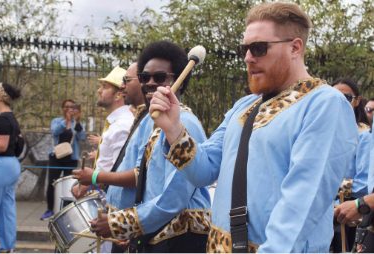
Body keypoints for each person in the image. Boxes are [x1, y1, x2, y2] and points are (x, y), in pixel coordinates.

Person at [149, 2, 358, 252]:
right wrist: (173, 129)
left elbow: (302, 204)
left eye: (259, 48)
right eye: (245, 49)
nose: (248, 58)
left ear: (295, 47)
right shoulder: (245, 105)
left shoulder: (325, 104)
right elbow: (204, 170)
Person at [87, 41, 211, 252]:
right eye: (145, 77)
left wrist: (122, 223)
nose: (150, 83)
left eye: (160, 77)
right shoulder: (153, 123)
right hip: (157, 234)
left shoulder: (185, 123)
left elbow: (175, 198)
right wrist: (134, 230)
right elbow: (145, 186)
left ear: (179, 81)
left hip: (182, 239)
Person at [72, 62, 145, 252]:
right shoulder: (117, 123)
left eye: (104, 87)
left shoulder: (122, 125)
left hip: (118, 210)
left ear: (119, 94)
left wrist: (91, 181)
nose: (99, 91)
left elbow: (123, 171)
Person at [331, 79, 371, 251]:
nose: (339, 101)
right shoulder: (315, 132)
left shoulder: (365, 135)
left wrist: (332, 188)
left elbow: (366, 183)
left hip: (351, 210)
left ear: (356, 100)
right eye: (333, 96)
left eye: (346, 97)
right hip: (321, 212)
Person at [40, 99, 86, 220]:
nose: (69, 109)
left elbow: (82, 137)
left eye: (72, 107)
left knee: (68, 185)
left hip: (71, 158)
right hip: (56, 157)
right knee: (52, 183)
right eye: (66, 107)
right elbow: (55, 132)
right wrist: (66, 120)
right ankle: (50, 209)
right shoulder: (56, 121)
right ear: (63, 108)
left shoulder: (77, 123)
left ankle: (66, 211)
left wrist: (77, 122)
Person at [0, 82, 21, 252]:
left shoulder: (2, 119)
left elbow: (1, 146)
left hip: (2, 165)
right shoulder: (10, 117)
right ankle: (7, 248)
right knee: (5, 209)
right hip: (10, 165)